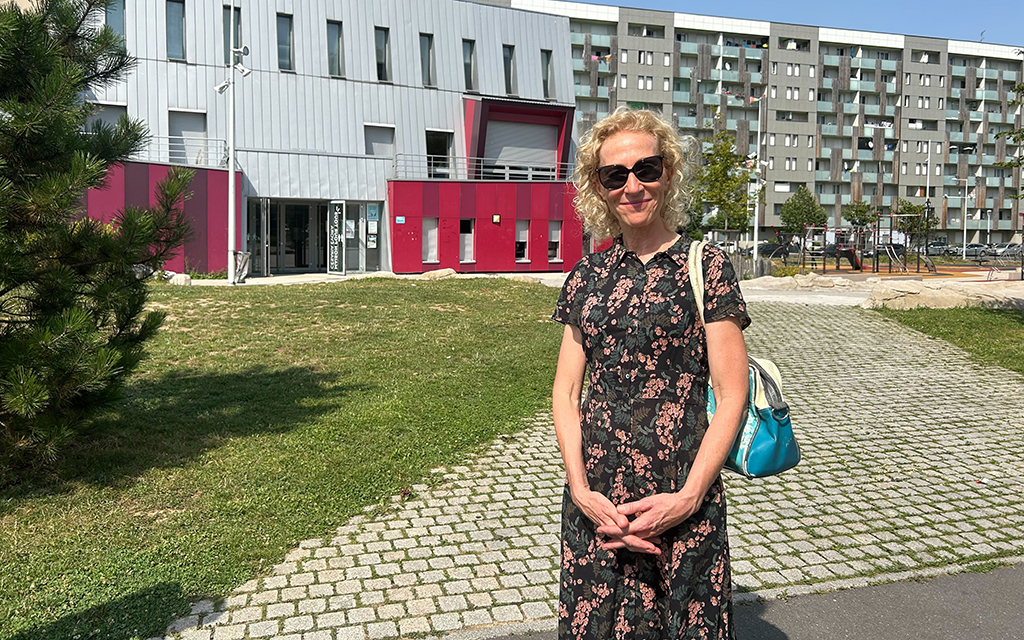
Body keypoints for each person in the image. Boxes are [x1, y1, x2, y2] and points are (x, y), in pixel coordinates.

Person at [551, 107, 751, 639]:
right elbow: (566, 393)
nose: (632, 186)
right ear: (598, 187)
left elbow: (733, 394)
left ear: (669, 172)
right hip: (598, 503)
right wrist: (581, 492)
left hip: (682, 497)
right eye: (615, 175)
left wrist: (686, 499)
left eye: (647, 169)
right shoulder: (586, 277)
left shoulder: (706, 267)